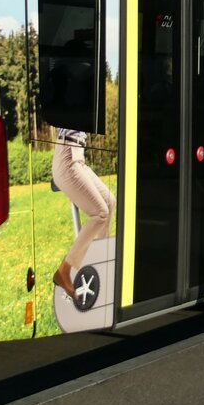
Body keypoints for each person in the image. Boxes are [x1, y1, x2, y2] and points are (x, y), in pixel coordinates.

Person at [51, 128, 115, 303]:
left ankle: (101, 261)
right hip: (67, 157)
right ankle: (64, 271)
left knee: (110, 201)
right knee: (100, 213)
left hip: (78, 156)